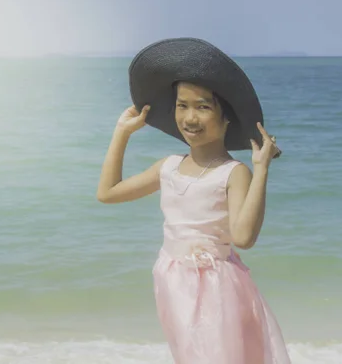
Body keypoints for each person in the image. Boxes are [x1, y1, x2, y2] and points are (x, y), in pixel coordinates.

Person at [96, 38, 292, 364]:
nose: (189, 117)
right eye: (181, 105)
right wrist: (122, 132)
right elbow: (107, 193)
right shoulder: (169, 167)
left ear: (227, 117)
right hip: (173, 285)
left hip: (219, 288)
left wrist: (261, 169)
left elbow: (243, 237)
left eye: (203, 107)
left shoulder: (233, 172)